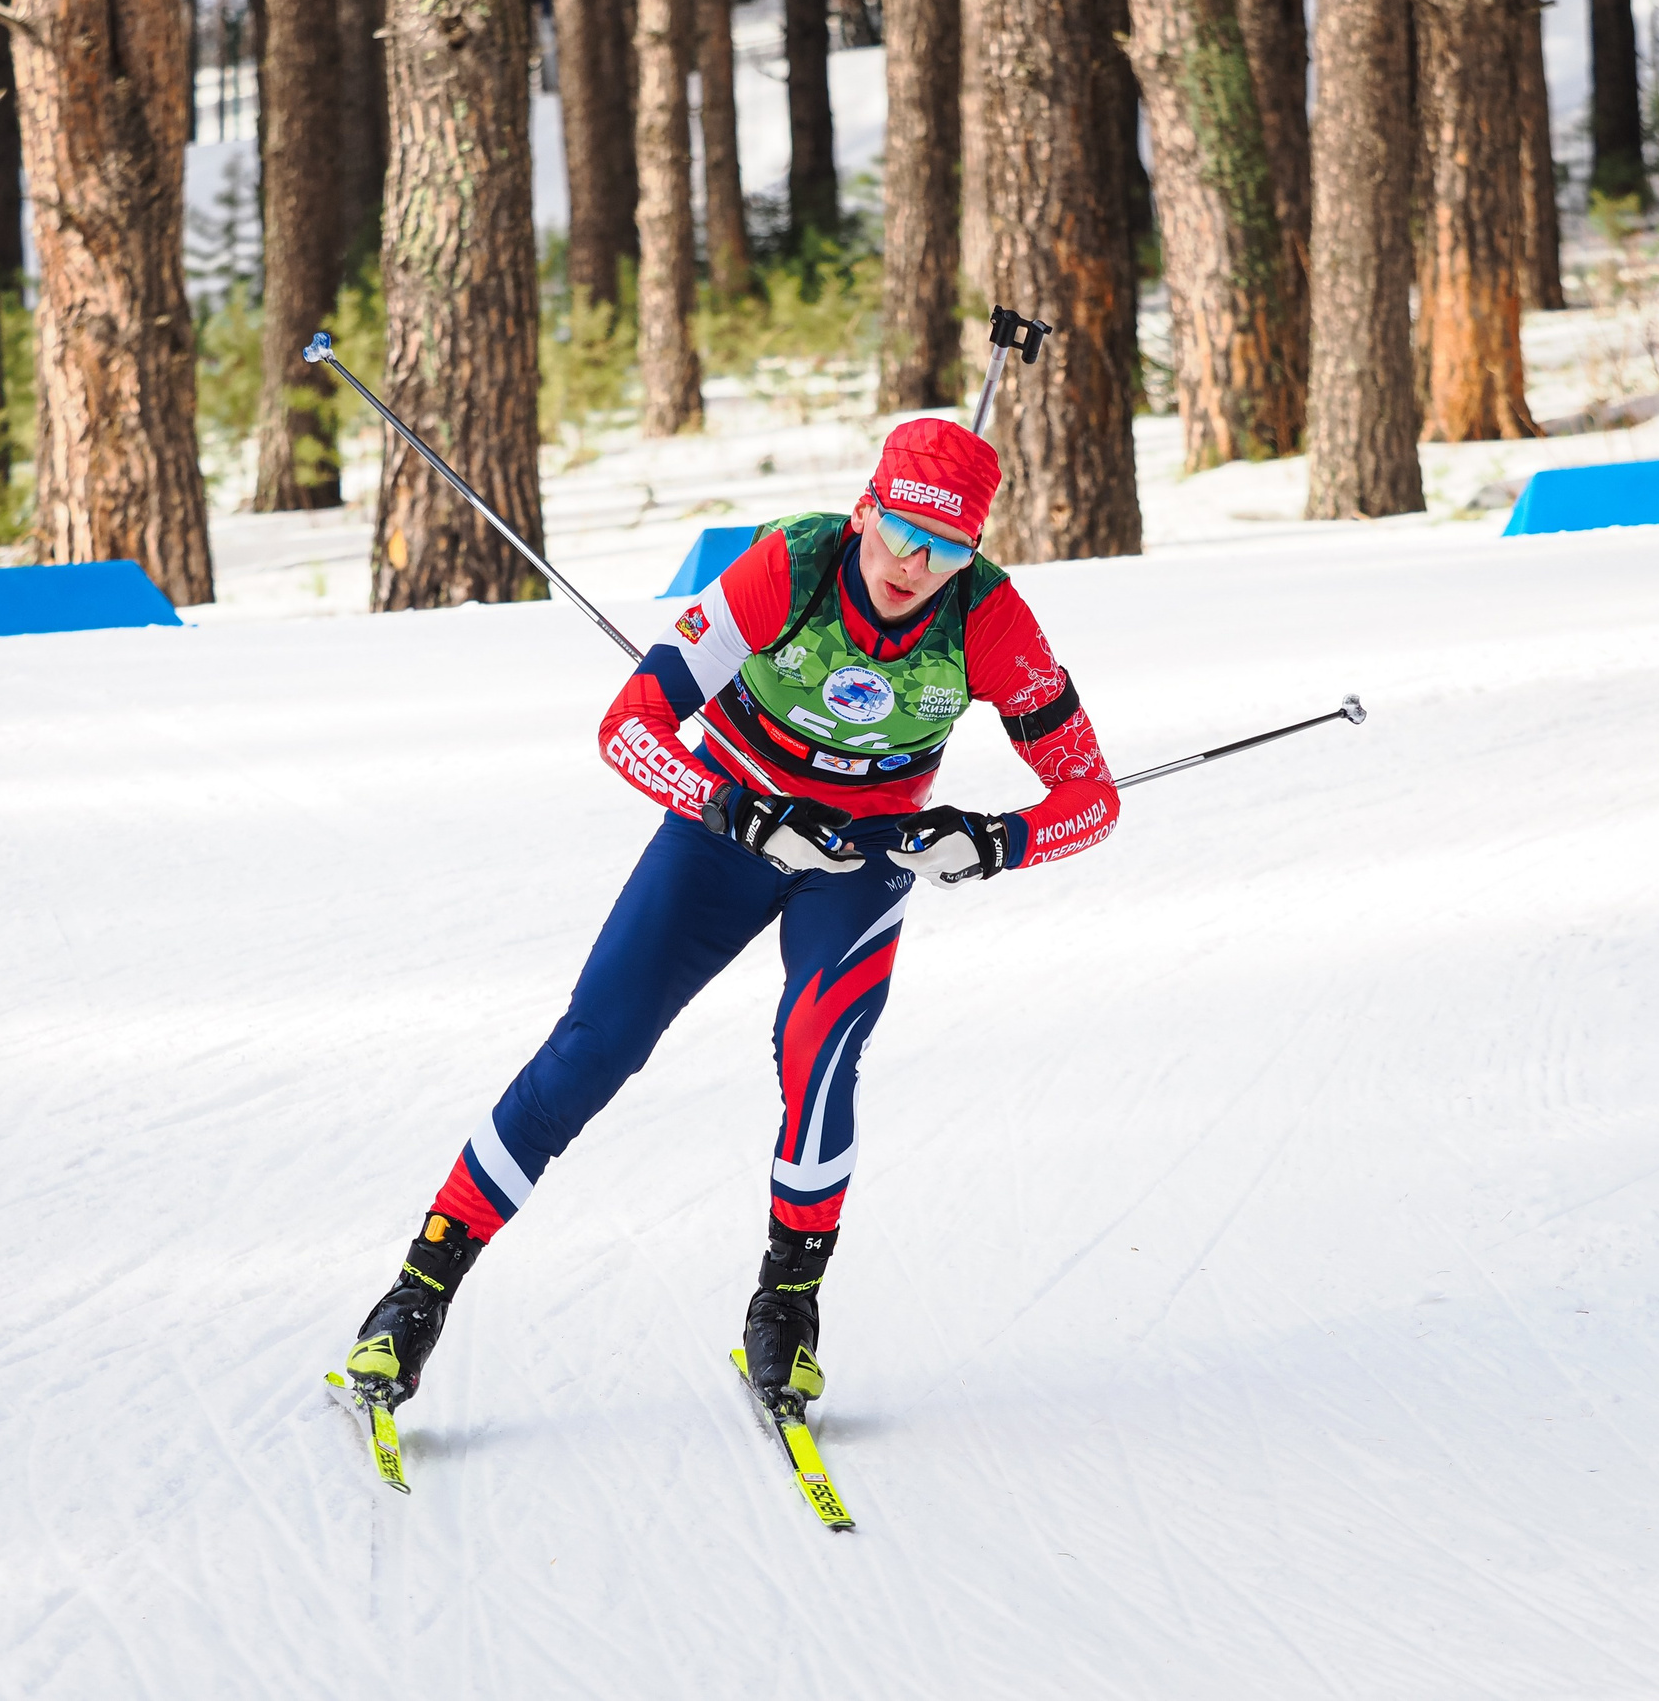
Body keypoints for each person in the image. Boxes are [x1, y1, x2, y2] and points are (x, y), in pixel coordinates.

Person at [344, 418, 1120, 1418]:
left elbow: (1090, 797)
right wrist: (733, 808)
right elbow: (629, 726)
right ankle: (420, 1289)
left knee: (818, 1046)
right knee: (596, 1042)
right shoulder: (787, 569)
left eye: (947, 548)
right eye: (899, 532)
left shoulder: (988, 620)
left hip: (863, 855)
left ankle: (787, 1306)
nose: (913, 565)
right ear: (864, 511)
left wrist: (995, 839)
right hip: (726, 833)